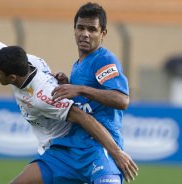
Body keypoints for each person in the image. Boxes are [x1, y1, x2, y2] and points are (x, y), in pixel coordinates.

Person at [0, 40, 138, 183]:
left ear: (12, 78)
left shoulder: (43, 97)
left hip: (76, 146)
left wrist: (117, 153)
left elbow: (82, 117)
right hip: (57, 151)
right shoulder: (22, 60)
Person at [51, 2, 134, 182]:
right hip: (78, 145)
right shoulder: (78, 64)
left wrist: (79, 89)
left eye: (92, 29)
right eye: (80, 28)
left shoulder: (103, 60)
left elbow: (122, 99)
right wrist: (69, 84)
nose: (85, 34)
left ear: (103, 33)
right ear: (74, 30)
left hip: (102, 146)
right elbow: (87, 97)